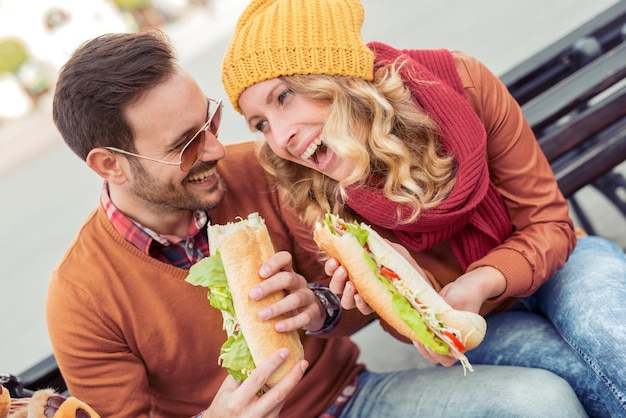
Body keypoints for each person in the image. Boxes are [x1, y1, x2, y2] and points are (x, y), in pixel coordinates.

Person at [46, 30, 588, 418]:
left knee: (541, 401)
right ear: (110, 165)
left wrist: (321, 308)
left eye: (208, 121)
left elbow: (356, 311)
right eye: (186, 145)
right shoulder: (81, 300)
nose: (217, 147)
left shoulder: (260, 170)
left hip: (355, 399)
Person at [220, 0, 626, 417]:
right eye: (260, 124)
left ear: (335, 73)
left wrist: (483, 281)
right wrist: (400, 289)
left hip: (559, 263)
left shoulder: (463, 83)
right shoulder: (308, 194)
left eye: (284, 97)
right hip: (477, 323)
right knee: (575, 373)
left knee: (611, 336)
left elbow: (549, 223)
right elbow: (396, 322)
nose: (281, 137)